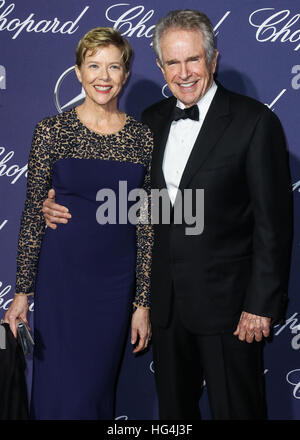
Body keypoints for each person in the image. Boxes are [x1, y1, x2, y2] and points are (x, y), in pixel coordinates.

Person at [42, 10, 293, 420]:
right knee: (175, 418)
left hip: (231, 309)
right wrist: (58, 202)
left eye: (193, 59)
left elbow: (274, 224)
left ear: (213, 60)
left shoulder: (255, 122)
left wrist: (261, 305)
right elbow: (130, 204)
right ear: (160, 67)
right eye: (172, 62)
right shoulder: (151, 122)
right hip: (167, 308)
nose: (184, 72)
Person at [4, 27, 153, 420]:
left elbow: (147, 224)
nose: (103, 76)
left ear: (126, 74)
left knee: (95, 393)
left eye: (114, 67)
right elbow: (33, 215)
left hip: (114, 286)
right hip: (61, 283)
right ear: (77, 72)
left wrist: (142, 303)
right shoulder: (51, 132)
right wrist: (22, 293)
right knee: (58, 391)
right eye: (94, 66)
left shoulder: (142, 138)